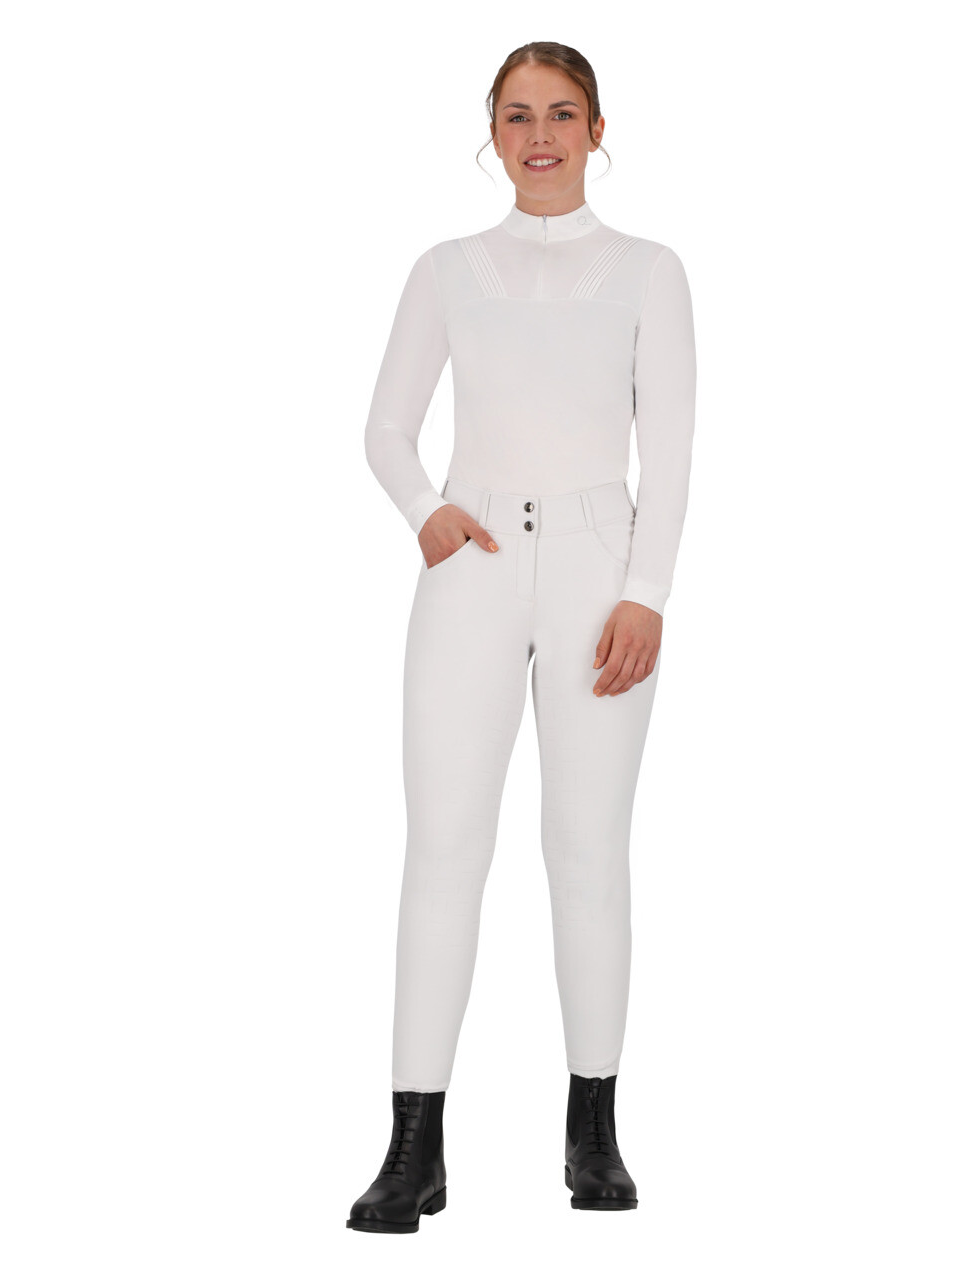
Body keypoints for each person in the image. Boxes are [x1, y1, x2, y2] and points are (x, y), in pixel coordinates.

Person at [346, 41, 697, 1232]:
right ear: (489, 133)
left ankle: (593, 1133)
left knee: (587, 847)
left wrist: (646, 591)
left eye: (559, 113)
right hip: (475, 560)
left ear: (597, 128)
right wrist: (426, 511)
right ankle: (412, 1146)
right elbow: (385, 427)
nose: (537, 135)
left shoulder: (647, 270)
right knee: (442, 847)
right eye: (514, 115)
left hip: (601, 565)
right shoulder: (447, 268)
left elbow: (671, 447)